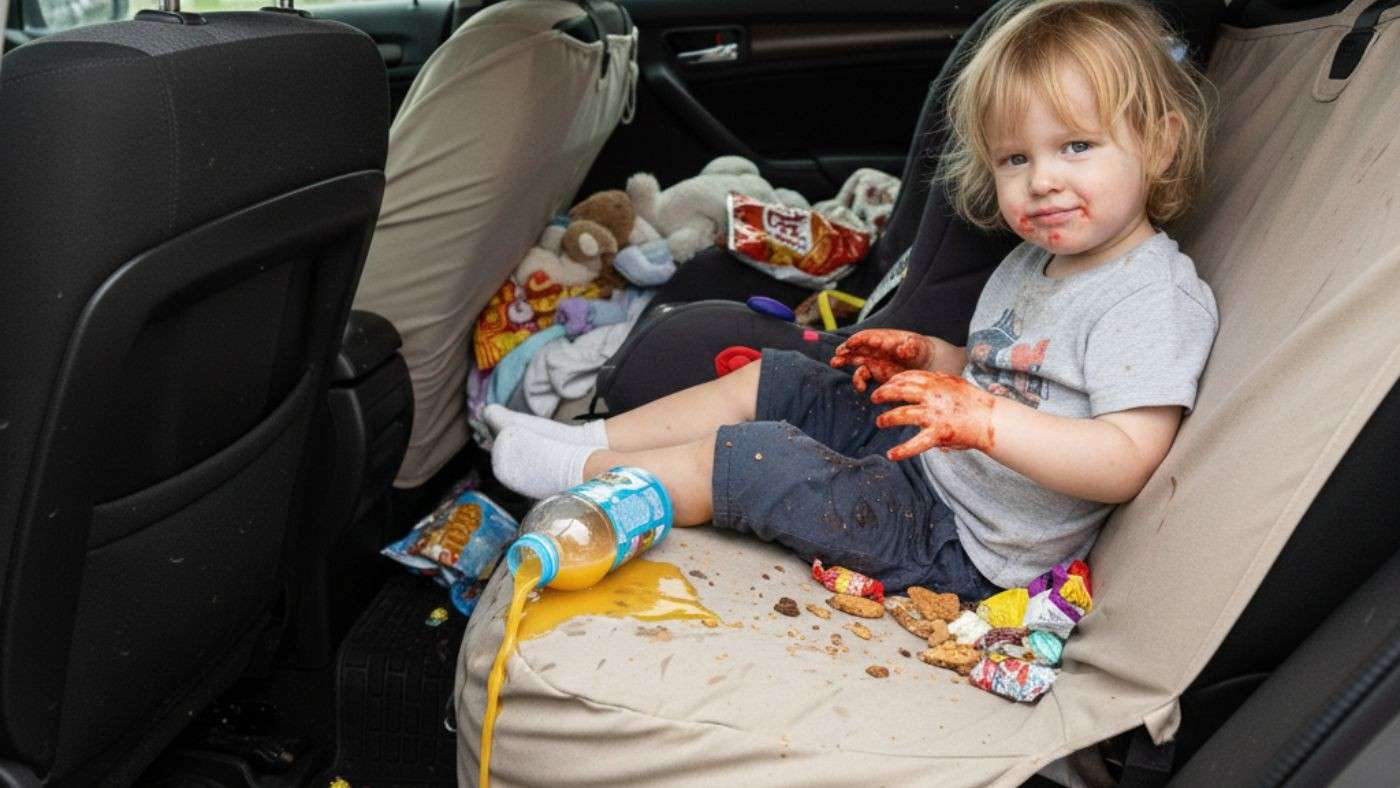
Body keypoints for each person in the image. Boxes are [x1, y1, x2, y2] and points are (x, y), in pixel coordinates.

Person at [486, 0, 1218, 601]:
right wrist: (933, 359)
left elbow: (1125, 457)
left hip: (962, 542)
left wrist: (985, 421)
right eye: (1015, 159)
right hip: (932, 461)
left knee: (758, 458)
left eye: (1078, 147)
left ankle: (578, 480)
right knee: (784, 379)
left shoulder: (1149, 298)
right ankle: (592, 441)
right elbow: (1004, 366)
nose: (1043, 181)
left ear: (1158, 145)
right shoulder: (1035, 261)